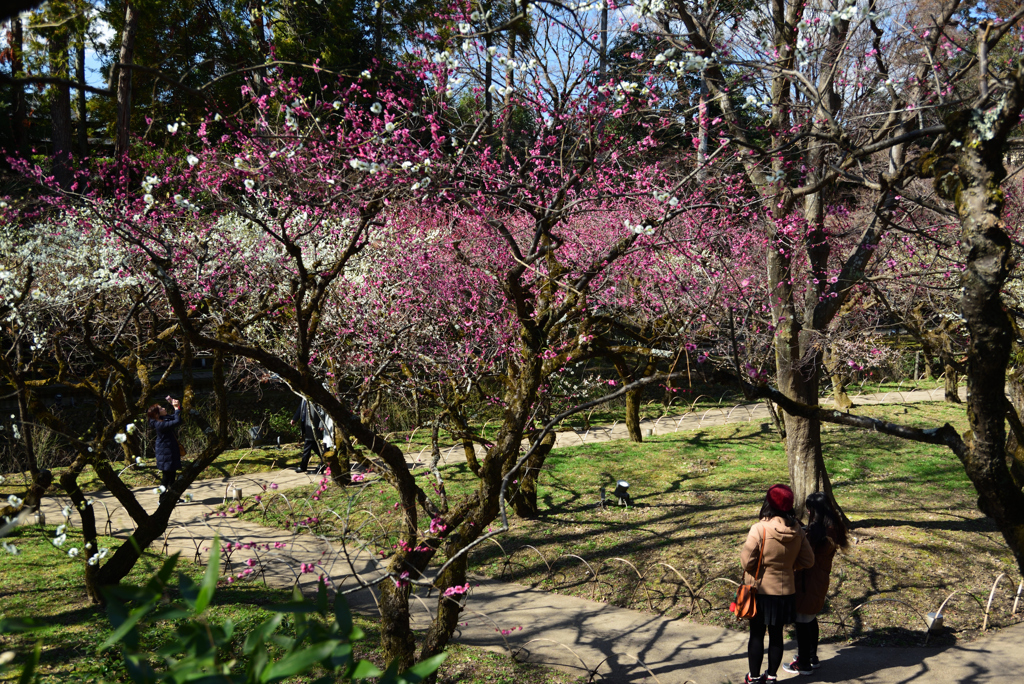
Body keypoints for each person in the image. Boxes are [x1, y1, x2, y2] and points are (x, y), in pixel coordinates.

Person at [741, 484, 814, 684]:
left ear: (769, 503)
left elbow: (747, 562)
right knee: (776, 635)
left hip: (760, 589)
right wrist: (789, 566)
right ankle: (772, 677)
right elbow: (809, 561)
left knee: (756, 635)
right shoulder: (797, 530)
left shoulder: (759, 528)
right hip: (786, 592)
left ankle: (754, 678)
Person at [783, 492, 849, 676]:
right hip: (818, 581)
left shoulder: (822, 532)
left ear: (814, 509)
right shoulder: (832, 527)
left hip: (808, 581)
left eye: (809, 508)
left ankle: (803, 664)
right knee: (810, 619)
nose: (808, 512)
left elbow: (807, 556)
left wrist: (802, 534)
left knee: (802, 621)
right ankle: (812, 657)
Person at [148, 396, 183, 501]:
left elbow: (176, 417)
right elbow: (176, 421)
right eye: (161, 409)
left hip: (169, 451)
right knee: (166, 478)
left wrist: (177, 406)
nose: (164, 408)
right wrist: (176, 409)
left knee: (172, 476)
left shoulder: (163, 419)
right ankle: (162, 499)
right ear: (157, 414)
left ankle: (173, 497)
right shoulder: (159, 424)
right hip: (165, 453)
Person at [290, 397, 324, 473]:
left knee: (308, 444)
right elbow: (301, 407)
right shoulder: (303, 395)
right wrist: (295, 418)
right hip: (306, 424)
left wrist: (321, 424)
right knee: (314, 445)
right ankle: (326, 460)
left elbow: (322, 411)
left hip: (313, 424)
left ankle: (303, 466)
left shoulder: (315, 396)